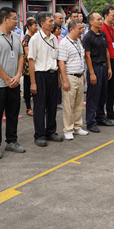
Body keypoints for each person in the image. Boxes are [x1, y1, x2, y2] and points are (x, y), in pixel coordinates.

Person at [0, 7, 26, 159]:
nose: (17, 21)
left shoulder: (15, 36)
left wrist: (17, 75)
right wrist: (7, 78)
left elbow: (21, 56)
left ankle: (12, 141)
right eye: (15, 18)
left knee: (13, 113)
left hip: (14, 82)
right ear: (5, 19)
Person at [28, 12, 64, 147]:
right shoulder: (35, 39)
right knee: (39, 107)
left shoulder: (54, 39)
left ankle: (51, 131)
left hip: (53, 75)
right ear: (42, 24)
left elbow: (56, 59)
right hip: (40, 75)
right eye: (50, 21)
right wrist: (33, 82)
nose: (53, 23)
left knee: (52, 106)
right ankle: (39, 134)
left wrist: (59, 78)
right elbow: (31, 61)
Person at [57, 19, 89, 140]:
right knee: (69, 104)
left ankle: (77, 126)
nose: (82, 31)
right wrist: (64, 80)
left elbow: (81, 60)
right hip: (70, 76)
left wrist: (83, 75)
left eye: (82, 28)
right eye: (79, 29)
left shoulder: (78, 42)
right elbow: (61, 63)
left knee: (78, 103)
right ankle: (68, 129)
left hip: (79, 75)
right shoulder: (64, 43)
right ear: (71, 29)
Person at [83, 12, 113, 133]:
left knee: (102, 94)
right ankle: (90, 122)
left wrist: (109, 68)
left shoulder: (102, 34)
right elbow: (87, 56)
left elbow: (106, 52)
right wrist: (91, 73)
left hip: (104, 67)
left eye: (101, 19)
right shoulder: (88, 37)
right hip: (94, 68)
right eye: (98, 19)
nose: (101, 21)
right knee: (93, 96)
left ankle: (101, 117)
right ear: (91, 22)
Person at [100, 5, 114, 121]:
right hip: (105, 63)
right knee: (104, 89)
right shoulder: (101, 29)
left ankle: (110, 111)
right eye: (113, 15)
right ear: (106, 16)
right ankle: (101, 114)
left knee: (112, 88)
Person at [22, 19, 38, 117]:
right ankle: (28, 107)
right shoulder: (26, 39)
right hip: (28, 67)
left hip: (36, 66)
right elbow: (28, 54)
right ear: (29, 27)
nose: (36, 28)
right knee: (28, 87)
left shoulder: (35, 37)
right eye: (35, 26)